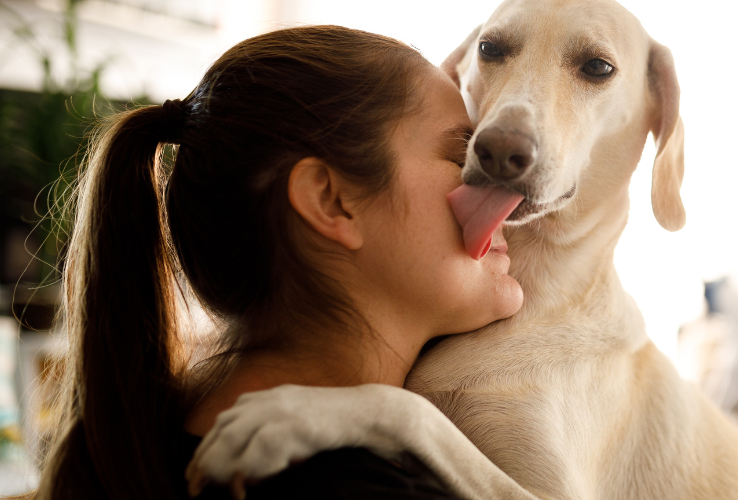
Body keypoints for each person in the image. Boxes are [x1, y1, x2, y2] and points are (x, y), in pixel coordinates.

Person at [36, 25, 523, 500]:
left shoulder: (176, 431)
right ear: (330, 201)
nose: (505, 195)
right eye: (464, 153)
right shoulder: (349, 487)